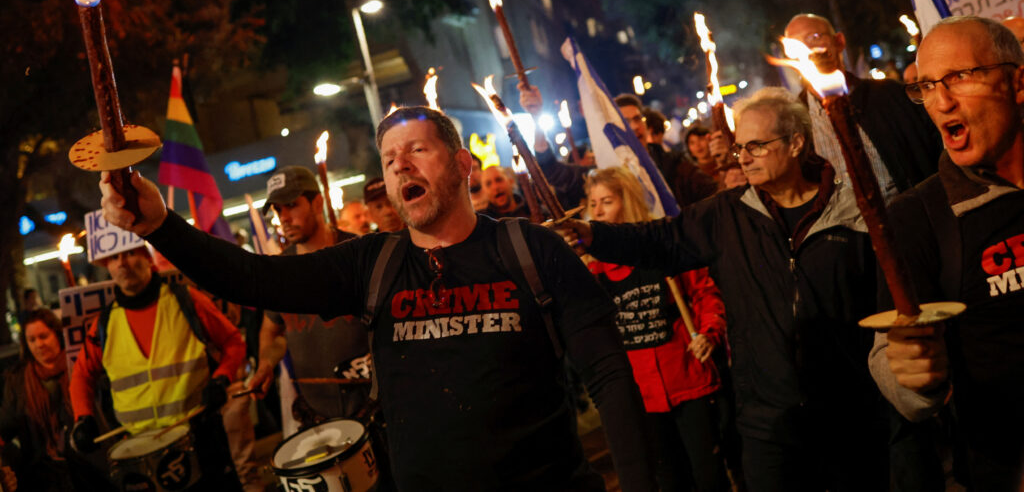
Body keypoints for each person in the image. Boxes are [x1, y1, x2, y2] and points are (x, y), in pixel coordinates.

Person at [97, 105, 657, 492]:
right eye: (389, 159)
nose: (400, 165)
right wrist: (160, 225)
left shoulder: (532, 250)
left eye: (417, 150)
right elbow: (253, 278)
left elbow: (610, 377)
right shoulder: (372, 263)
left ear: (462, 165)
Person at [558, 88, 889, 492]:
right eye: (739, 148)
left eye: (756, 146)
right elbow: (659, 240)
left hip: (848, 414)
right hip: (767, 424)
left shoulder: (852, 211)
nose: (743, 157)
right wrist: (593, 235)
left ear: (796, 143)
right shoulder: (727, 213)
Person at [869, 16, 1024, 490]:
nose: (941, 102)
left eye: (959, 77)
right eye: (927, 86)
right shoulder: (917, 217)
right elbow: (892, 354)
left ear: (1017, 83)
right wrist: (912, 375)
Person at [586, 167, 728, 492]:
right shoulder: (592, 268)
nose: (598, 212)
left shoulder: (663, 246)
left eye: (606, 201)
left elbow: (704, 293)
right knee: (669, 479)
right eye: (593, 204)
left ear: (627, 201)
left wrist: (709, 331)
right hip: (641, 395)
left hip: (687, 379)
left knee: (709, 475)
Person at [68, 244, 247, 491]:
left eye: (130, 253)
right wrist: (83, 418)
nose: (122, 263)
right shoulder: (104, 324)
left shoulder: (187, 300)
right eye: (113, 257)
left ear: (149, 258)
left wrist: (222, 379)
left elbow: (233, 342)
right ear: (107, 267)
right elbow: (81, 376)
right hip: (141, 452)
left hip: (201, 438)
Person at [249, 166, 370, 428]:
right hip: (317, 417)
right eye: (278, 209)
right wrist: (266, 363)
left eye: (291, 205)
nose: (284, 217)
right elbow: (273, 333)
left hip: (373, 408)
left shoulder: (359, 253)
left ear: (317, 203)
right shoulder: (280, 270)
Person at [783, 13, 941, 200]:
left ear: (839, 41)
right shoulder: (794, 122)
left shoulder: (890, 95)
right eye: (796, 45)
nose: (809, 49)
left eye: (815, 37)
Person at [521, 86, 717, 210]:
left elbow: (712, 192)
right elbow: (551, 170)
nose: (634, 127)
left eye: (637, 119)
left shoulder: (674, 164)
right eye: (625, 122)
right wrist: (536, 116)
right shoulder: (606, 173)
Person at [0, 308, 87, 491]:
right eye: (32, 340)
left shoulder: (79, 366)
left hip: (88, 467)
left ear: (57, 335)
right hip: (45, 477)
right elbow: (6, 424)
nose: (38, 344)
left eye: (43, 336)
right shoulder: (18, 380)